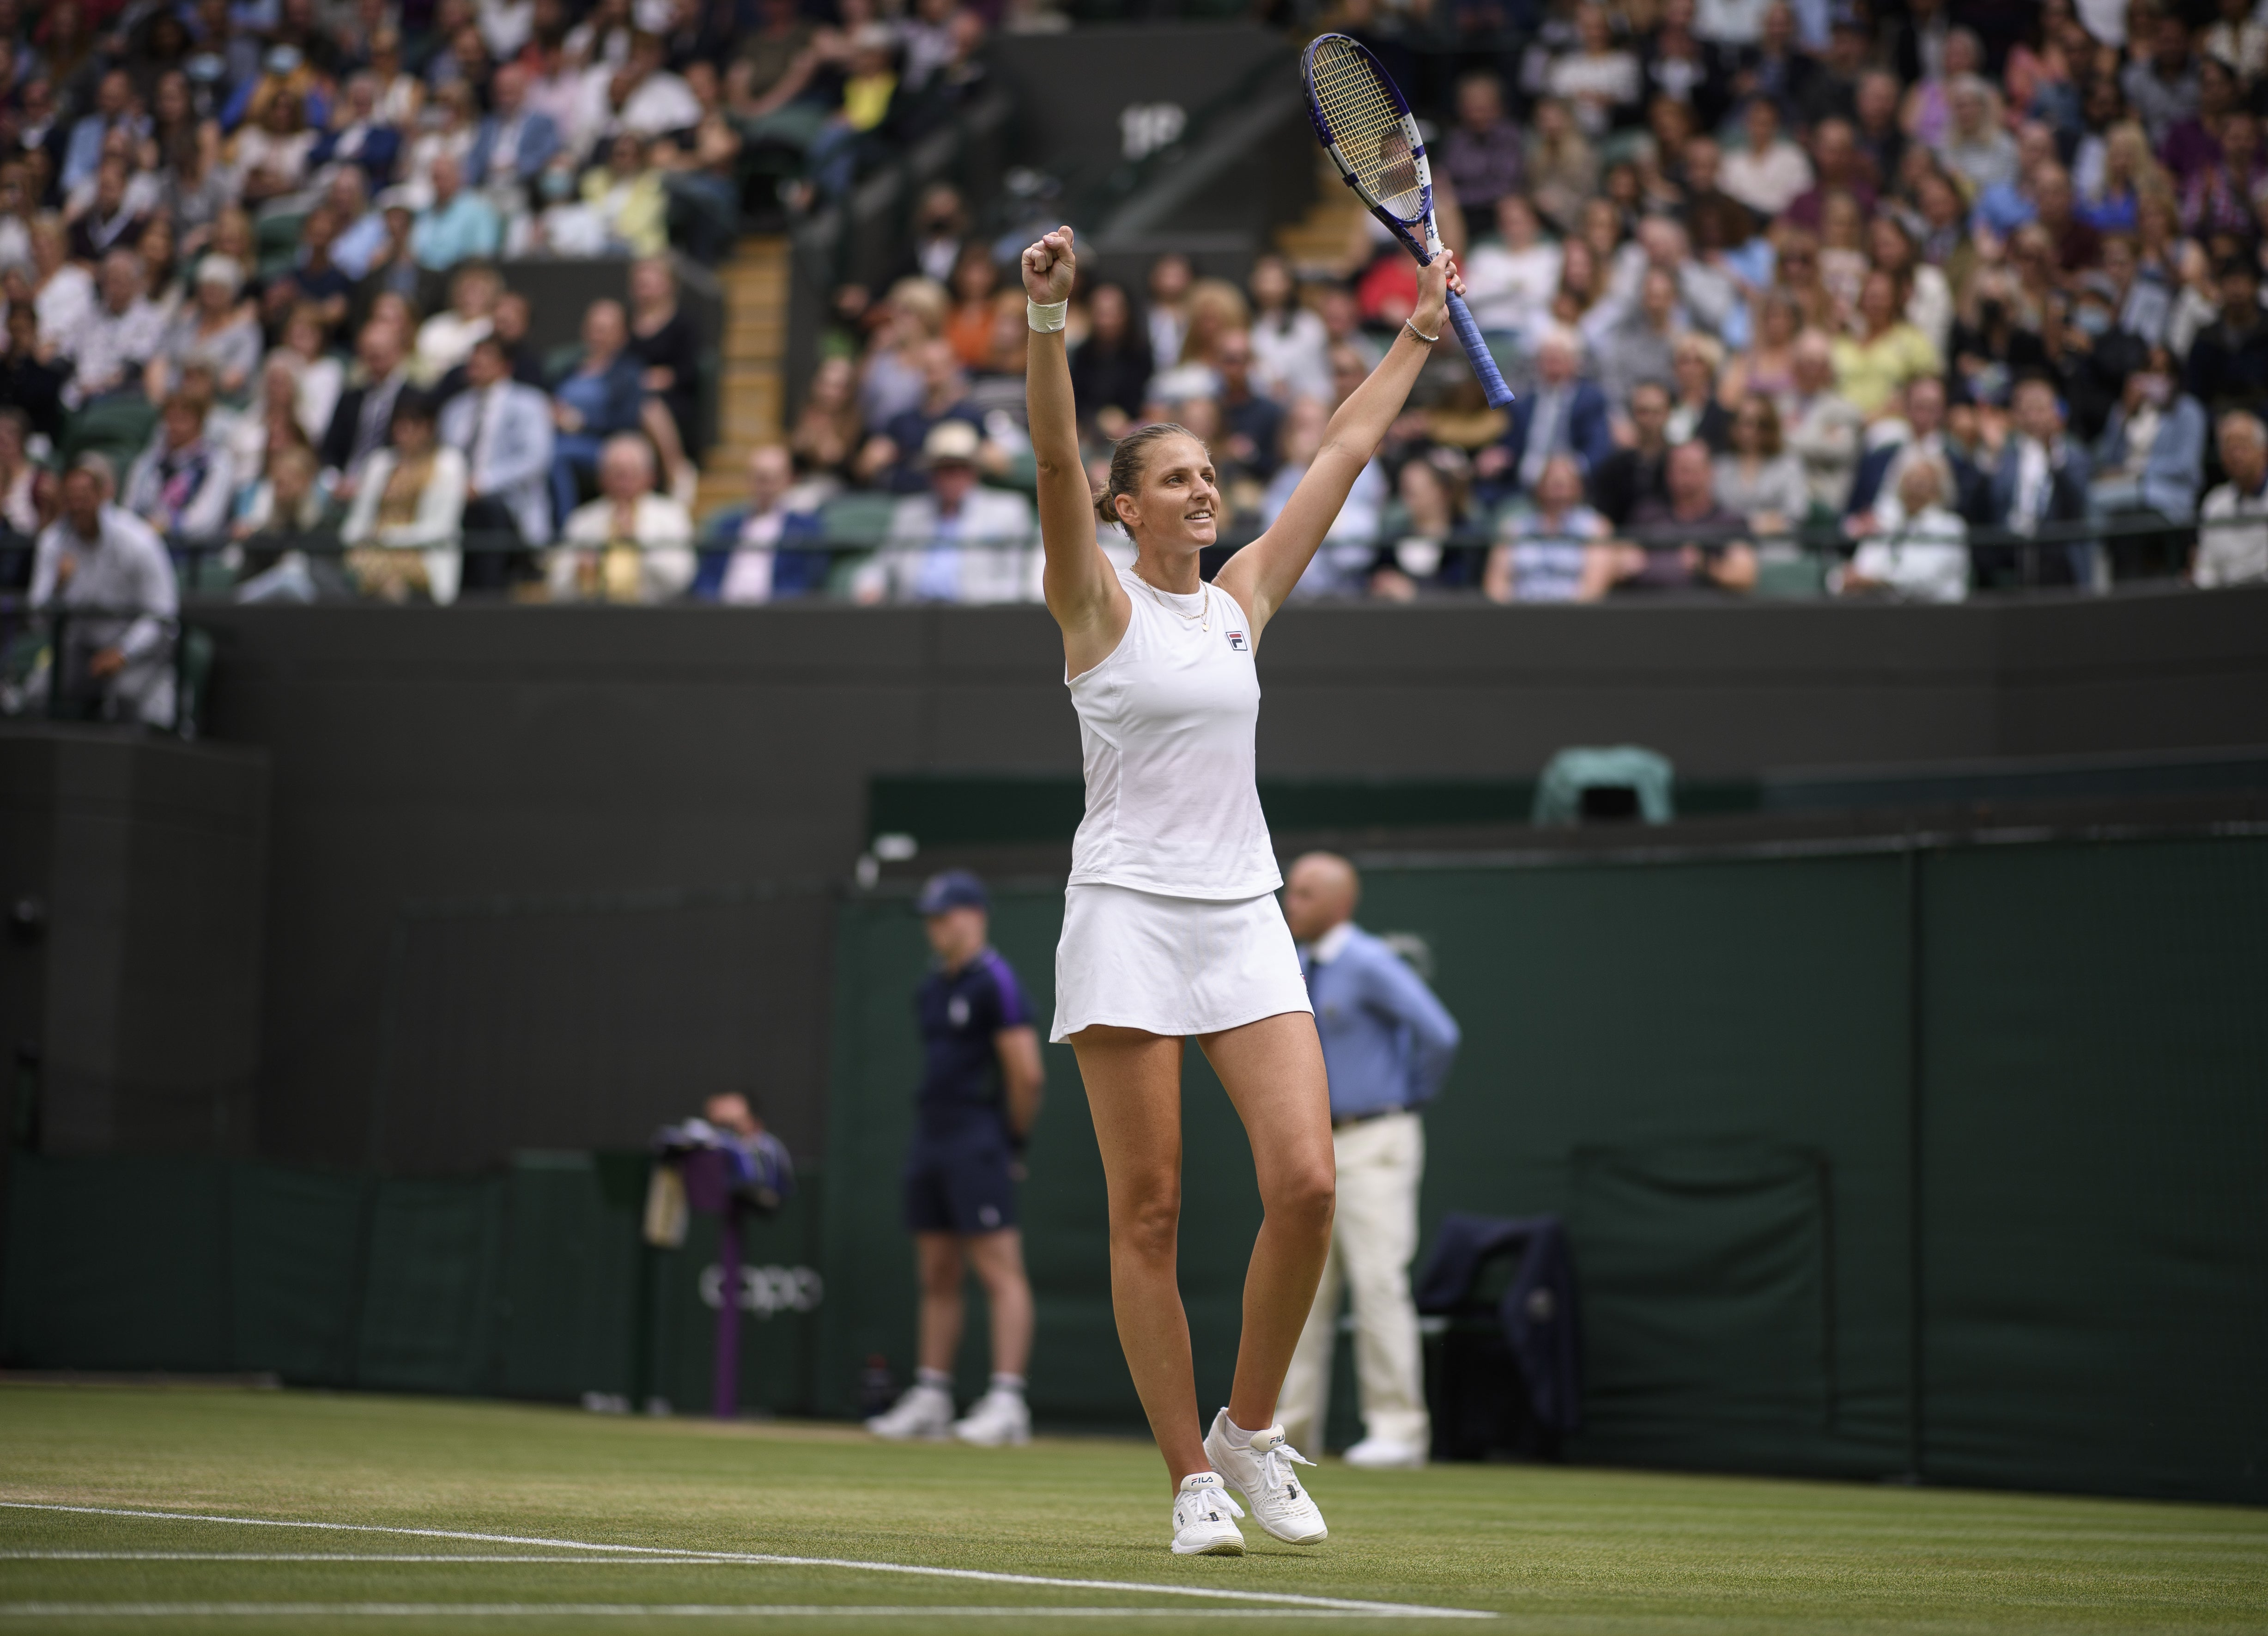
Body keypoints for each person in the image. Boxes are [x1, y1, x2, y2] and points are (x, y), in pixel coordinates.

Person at [1022, 220, 1463, 1556]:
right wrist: (1044, 318)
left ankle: (1247, 1429)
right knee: (1147, 1208)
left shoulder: (1240, 599)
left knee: (1307, 1184)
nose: (1206, 493)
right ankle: (1185, 1481)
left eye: (1212, 475)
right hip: (1123, 915)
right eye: (1178, 479)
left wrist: (1416, 333)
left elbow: (1337, 452)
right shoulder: (1090, 601)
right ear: (1124, 507)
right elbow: (1050, 451)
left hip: (1241, 915)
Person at [1275, 852, 1459, 1469]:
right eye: (1290, 891)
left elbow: (1439, 1033)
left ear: (1338, 903)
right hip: (1314, 1144)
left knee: (1378, 1282)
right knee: (1302, 1289)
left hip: (1375, 1140)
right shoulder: (1293, 966)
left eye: (1303, 893)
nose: (1289, 903)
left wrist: (1404, 1097)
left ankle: (1399, 1431)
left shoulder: (1370, 961)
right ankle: (1288, 1432)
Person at [864, 870, 1045, 1449]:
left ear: (974, 915)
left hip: (978, 1138)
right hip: (931, 1138)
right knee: (937, 1271)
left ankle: (1007, 1400)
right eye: (931, 918)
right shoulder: (931, 987)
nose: (936, 928)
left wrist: (1010, 1140)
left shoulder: (998, 982)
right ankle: (933, 1394)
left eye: (945, 915)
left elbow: (1027, 1074)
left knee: (998, 1270)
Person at [30, 456, 177, 728]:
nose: (77, 507)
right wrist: (57, 587)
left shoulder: (139, 541)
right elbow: (37, 621)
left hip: (137, 649)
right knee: (37, 695)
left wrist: (124, 652)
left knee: (125, 700)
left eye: (84, 497)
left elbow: (163, 615)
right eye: (71, 498)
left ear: (103, 496)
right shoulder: (52, 543)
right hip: (82, 648)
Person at [859, 419, 1035, 604]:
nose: (952, 477)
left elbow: (1018, 580)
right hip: (914, 616)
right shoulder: (910, 513)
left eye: (960, 468)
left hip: (980, 618)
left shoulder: (1008, 510)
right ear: (932, 474)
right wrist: (870, 585)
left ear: (974, 470)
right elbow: (880, 565)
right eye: (944, 469)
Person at [438, 334, 555, 583]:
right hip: (455, 503)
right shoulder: (453, 410)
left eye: (485, 358)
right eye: (473, 359)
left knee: (487, 512)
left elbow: (535, 459)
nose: (476, 364)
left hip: (510, 507)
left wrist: (482, 484)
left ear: (506, 366)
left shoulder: (530, 403)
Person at [339, 393, 467, 604]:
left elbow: (441, 527)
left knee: (390, 582)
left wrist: (390, 538)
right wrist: (358, 541)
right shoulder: (379, 463)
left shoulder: (449, 465)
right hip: (371, 550)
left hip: (422, 555)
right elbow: (358, 518)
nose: (403, 433)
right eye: (399, 425)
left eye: (413, 425)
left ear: (429, 428)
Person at [550, 432, 695, 603]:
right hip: (595, 617)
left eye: (632, 474)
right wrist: (579, 572)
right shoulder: (582, 520)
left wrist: (636, 543)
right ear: (602, 479)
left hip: (657, 617)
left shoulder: (672, 515)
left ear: (650, 477)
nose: (624, 483)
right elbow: (556, 588)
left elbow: (682, 579)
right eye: (617, 474)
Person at [1607, 439, 1758, 596]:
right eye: (1676, 469)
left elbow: (1744, 577)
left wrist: (1705, 567)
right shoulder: (1647, 514)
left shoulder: (1729, 521)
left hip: (1705, 613)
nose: (1682, 477)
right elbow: (1621, 560)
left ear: (1709, 472)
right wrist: (1624, 562)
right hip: (1646, 610)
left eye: (1689, 469)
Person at [1835, 456, 1969, 602]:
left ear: (1938, 489)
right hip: (1887, 616)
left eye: (1922, 482)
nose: (1913, 487)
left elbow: (1925, 578)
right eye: (1909, 479)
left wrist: (1877, 581)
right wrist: (1849, 579)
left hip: (1940, 616)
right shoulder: (1887, 523)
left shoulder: (1951, 526)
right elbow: (1862, 568)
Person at [1487, 453, 1609, 602]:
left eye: (1563, 484)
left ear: (1578, 487)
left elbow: (1594, 588)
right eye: (1552, 483)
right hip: (1519, 617)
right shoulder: (1514, 528)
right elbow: (1497, 586)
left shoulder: (1595, 528)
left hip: (1574, 619)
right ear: (1539, 486)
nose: (1557, 491)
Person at [2194, 410, 2268, 586]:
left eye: (2242, 445)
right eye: (2229, 448)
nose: (2236, 455)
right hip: (2227, 604)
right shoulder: (2214, 504)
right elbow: (2206, 570)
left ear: (2264, 451)